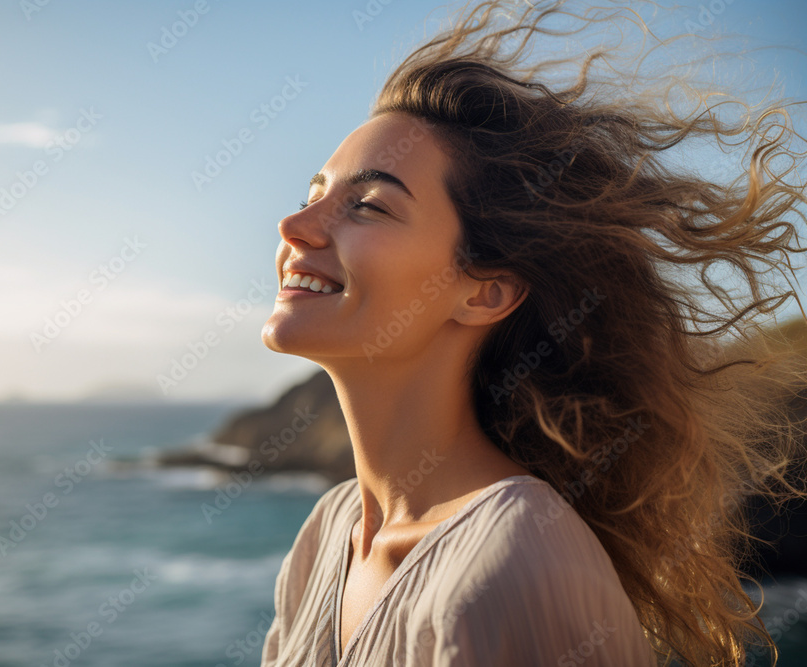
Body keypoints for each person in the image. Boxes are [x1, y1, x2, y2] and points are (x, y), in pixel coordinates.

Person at [259, 0, 807, 664]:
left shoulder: (516, 557)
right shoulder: (327, 536)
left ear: (485, 291)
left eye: (367, 205)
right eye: (312, 192)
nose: (296, 226)